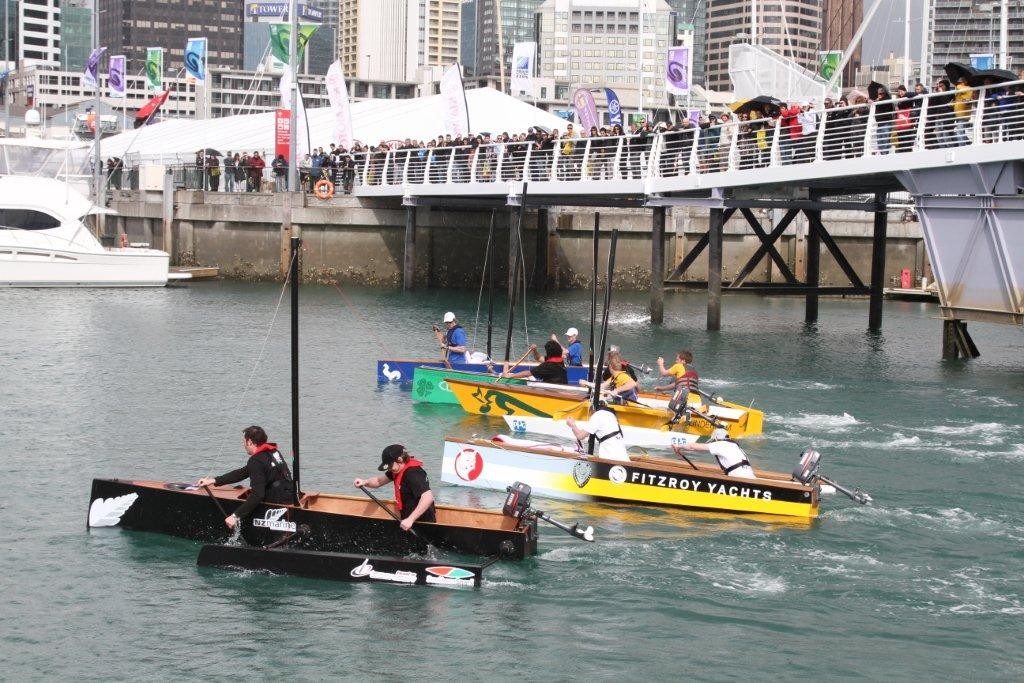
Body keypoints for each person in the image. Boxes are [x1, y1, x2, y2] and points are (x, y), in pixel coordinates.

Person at [197, 425, 296, 529]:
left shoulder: (256, 461)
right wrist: (213, 480)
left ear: (249, 442)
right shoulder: (273, 452)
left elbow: (258, 495)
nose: (243, 444)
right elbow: (243, 472)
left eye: (244, 441)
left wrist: (235, 516)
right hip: (290, 493)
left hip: (278, 500)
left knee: (253, 497)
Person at [353, 444, 436, 530]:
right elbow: (379, 481)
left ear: (399, 459)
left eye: (390, 466)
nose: (389, 469)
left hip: (423, 524)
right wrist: (364, 482)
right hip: (408, 523)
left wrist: (410, 519)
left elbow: (428, 497)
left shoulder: (413, 474)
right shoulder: (396, 470)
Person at [673, 428, 756, 479]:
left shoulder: (720, 444)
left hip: (739, 478)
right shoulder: (736, 446)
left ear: (716, 438)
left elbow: (692, 446)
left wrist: (679, 446)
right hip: (750, 478)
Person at [566, 405, 630, 462]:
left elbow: (580, 436)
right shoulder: (611, 415)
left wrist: (572, 425)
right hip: (623, 457)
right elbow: (587, 433)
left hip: (611, 457)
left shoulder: (597, 415)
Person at [500, 340, 567, 384]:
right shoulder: (560, 361)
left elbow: (527, 374)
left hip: (553, 390)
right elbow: (539, 358)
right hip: (559, 386)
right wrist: (535, 350)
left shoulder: (548, 365)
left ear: (549, 352)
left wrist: (509, 376)